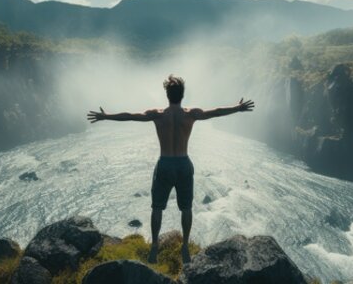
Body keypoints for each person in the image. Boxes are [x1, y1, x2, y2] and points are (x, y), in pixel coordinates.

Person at [87, 75, 255, 264]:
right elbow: (215, 112)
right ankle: (185, 247)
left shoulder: (158, 114)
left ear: (167, 95)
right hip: (183, 164)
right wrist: (237, 108)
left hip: (165, 163)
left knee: (157, 207)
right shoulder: (191, 114)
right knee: (187, 208)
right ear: (182, 95)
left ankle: (154, 246)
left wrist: (106, 116)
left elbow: (130, 116)